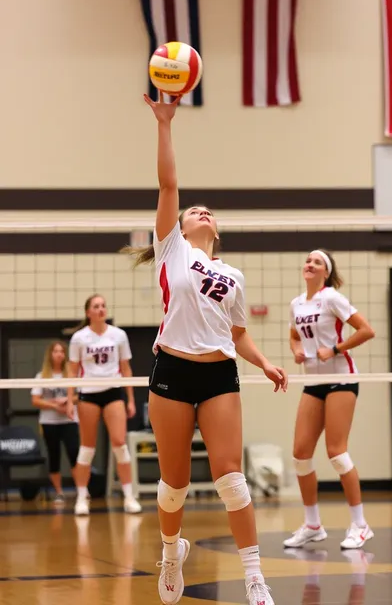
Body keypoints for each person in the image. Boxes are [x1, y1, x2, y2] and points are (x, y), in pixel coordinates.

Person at [122, 91, 288, 605]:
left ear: (217, 230)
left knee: (232, 480)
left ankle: (255, 579)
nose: (201, 210)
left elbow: (238, 336)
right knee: (173, 487)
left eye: (207, 210)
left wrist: (265, 362)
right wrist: (165, 123)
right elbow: (169, 182)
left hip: (219, 377)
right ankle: (172, 554)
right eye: (195, 209)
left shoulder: (232, 275)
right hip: (171, 372)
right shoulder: (172, 248)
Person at [284, 249, 375, 550]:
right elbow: (295, 334)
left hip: (341, 380)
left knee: (336, 452)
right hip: (314, 382)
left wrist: (335, 349)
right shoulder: (296, 303)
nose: (309, 264)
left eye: (317, 262)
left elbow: (366, 330)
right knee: (300, 455)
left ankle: (360, 526)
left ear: (326, 271)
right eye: (307, 260)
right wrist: (296, 349)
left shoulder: (332, 298)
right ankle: (312, 525)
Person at [65, 294, 142, 516]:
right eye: (96, 306)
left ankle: (129, 497)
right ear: (88, 312)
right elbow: (72, 370)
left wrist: (130, 399)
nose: (101, 309)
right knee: (87, 448)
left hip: (113, 392)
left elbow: (126, 368)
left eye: (103, 306)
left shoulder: (119, 335)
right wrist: (71, 399)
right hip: (88, 393)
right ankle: (82, 498)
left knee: (120, 444)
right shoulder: (79, 338)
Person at [31, 341, 80, 505]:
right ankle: (59, 492)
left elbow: (79, 396)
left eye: (61, 351)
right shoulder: (42, 376)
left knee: (74, 453)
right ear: (50, 354)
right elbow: (36, 400)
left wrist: (67, 400)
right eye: (55, 351)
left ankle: (81, 490)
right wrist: (54, 405)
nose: (59, 354)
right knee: (54, 455)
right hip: (49, 421)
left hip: (69, 420)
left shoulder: (72, 374)